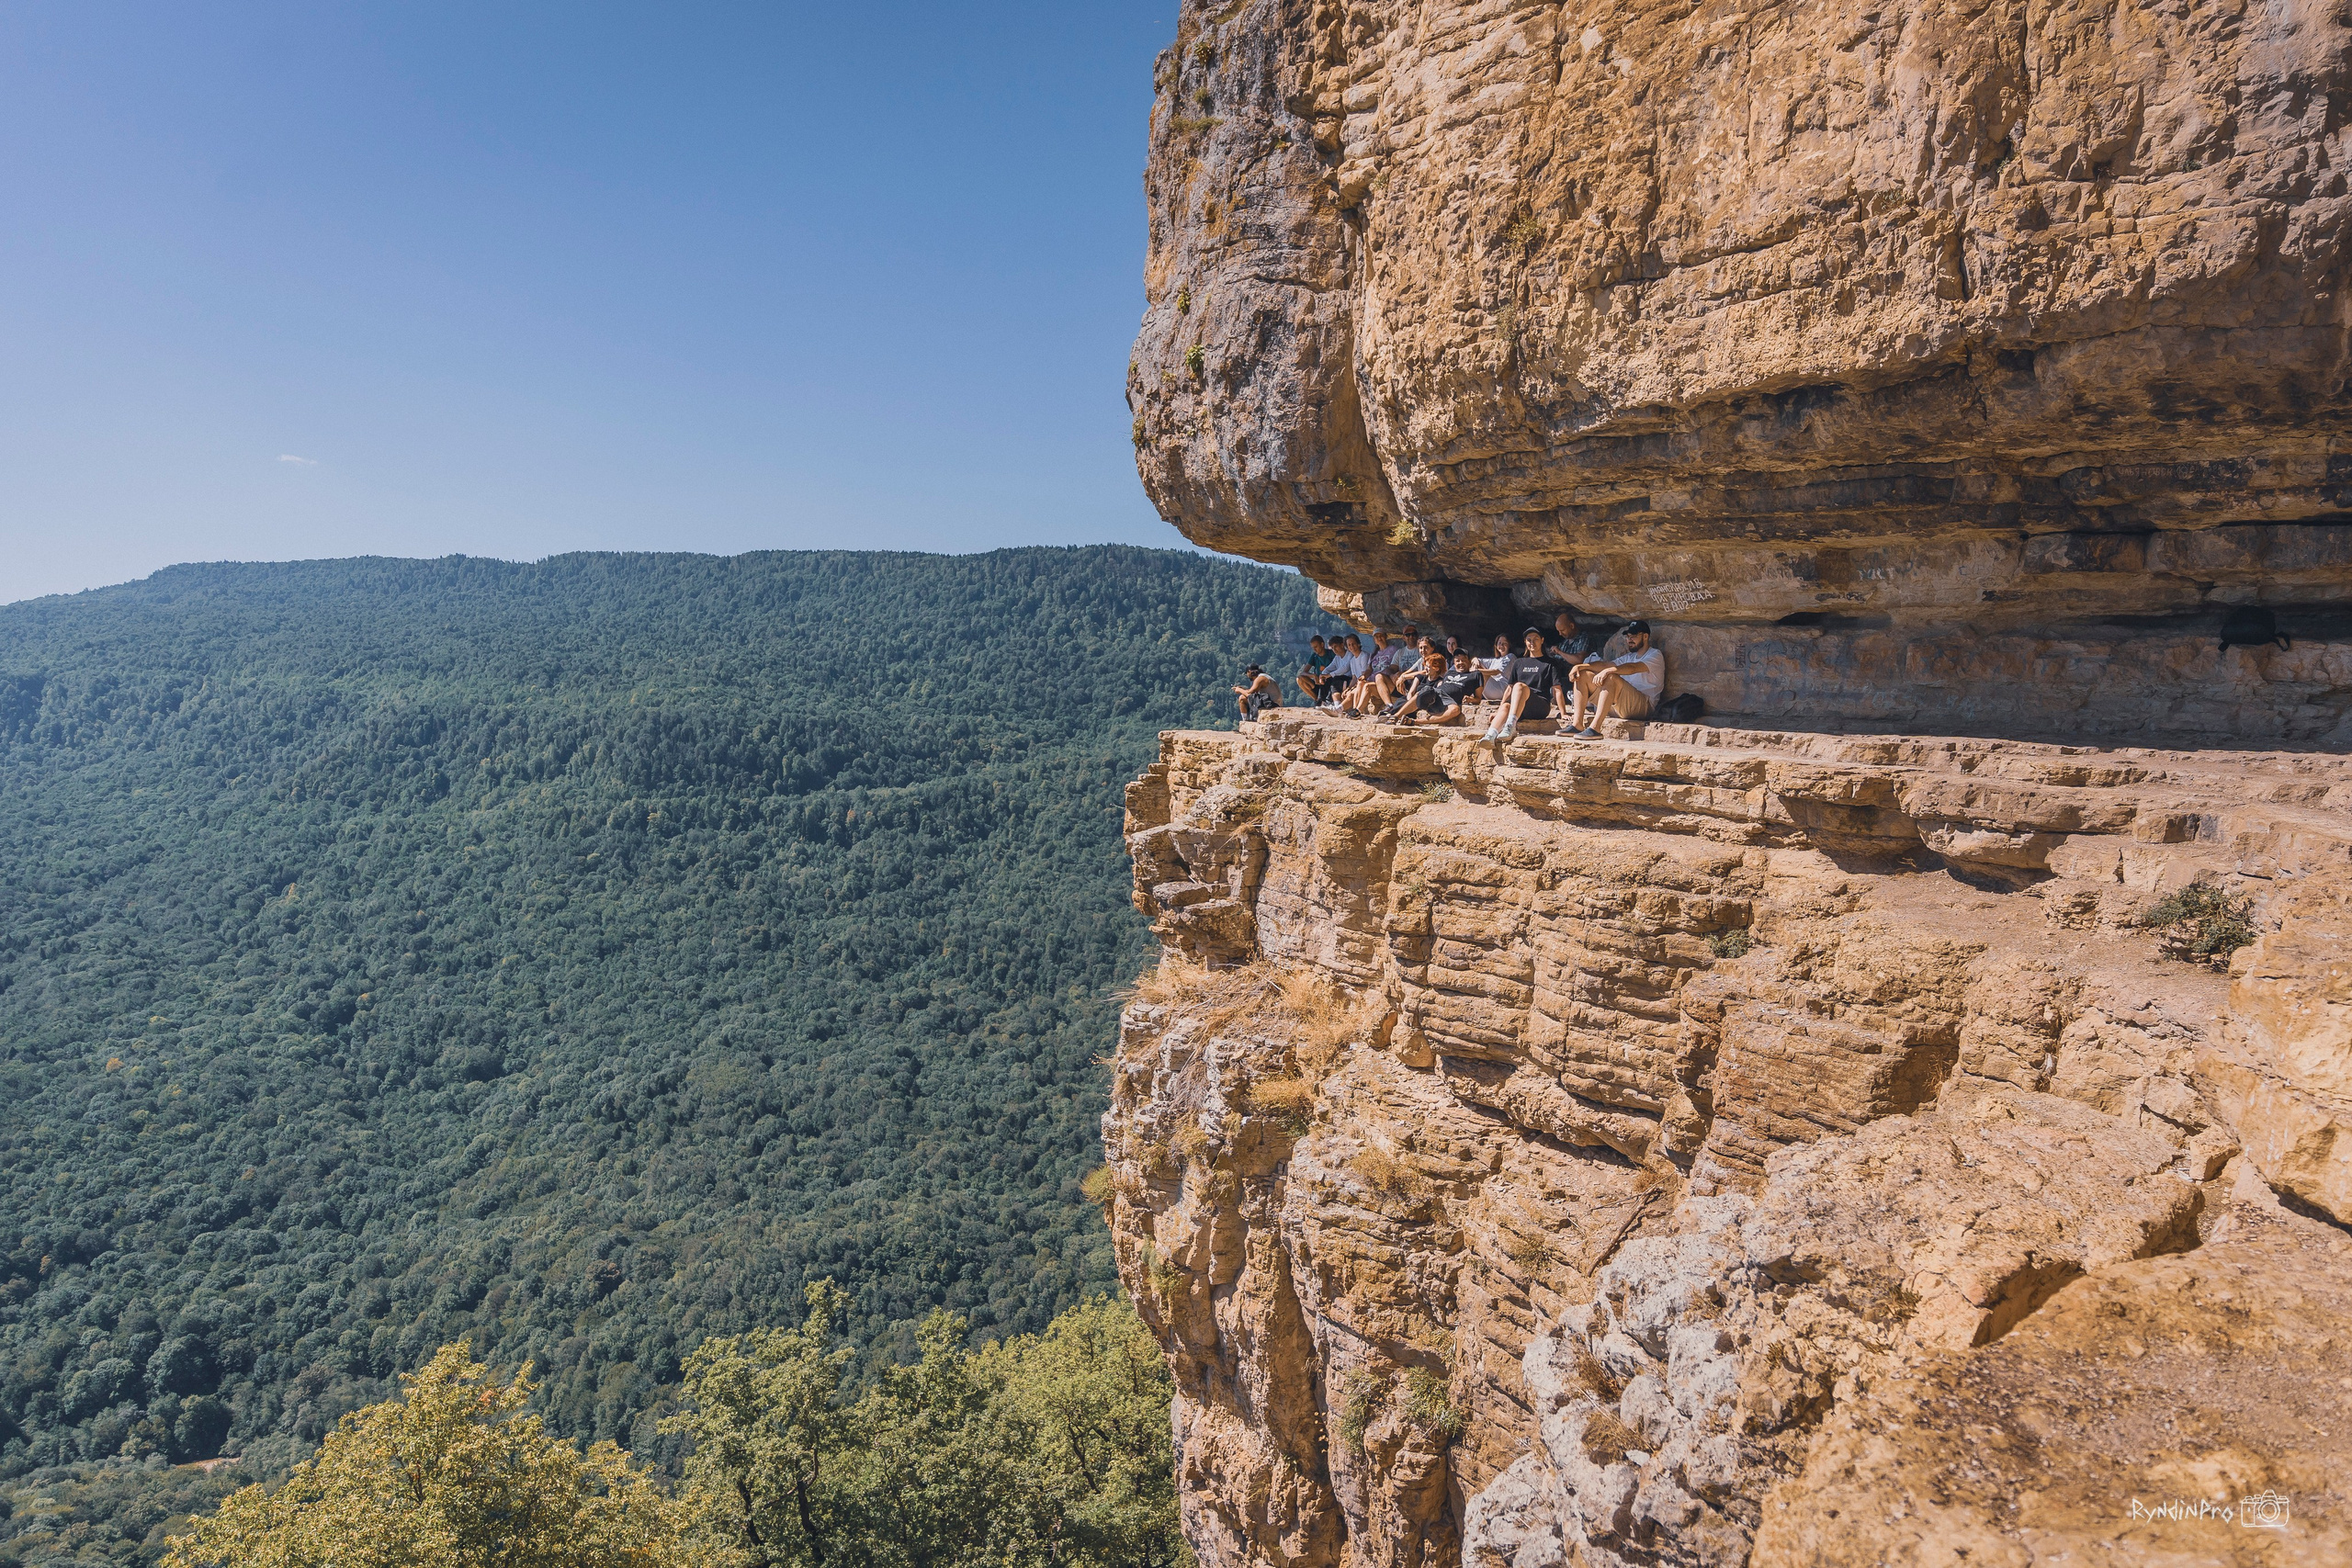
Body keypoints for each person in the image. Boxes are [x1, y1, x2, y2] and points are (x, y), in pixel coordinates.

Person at [1566, 619, 1665, 737]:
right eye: (1627, 637)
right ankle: (1577, 725)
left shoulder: (1655, 655)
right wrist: (1580, 666)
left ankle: (1595, 729)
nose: (1629, 640)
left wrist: (1609, 671)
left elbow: (1634, 668)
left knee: (1611, 677)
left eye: (1633, 636)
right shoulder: (1629, 656)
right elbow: (1605, 665)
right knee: (1582, 675)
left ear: (1645, 636)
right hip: (1621, 706)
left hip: (1643, 706)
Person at [1484, 627, 1559, 741]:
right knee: (1505, 706)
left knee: (1519, 686)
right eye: (1529, 640)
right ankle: (1490, 735)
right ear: (1525, 642)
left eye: (1536, 639)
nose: (1532, 643)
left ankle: (1510, 726)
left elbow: (1557, 689)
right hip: (1520, 707)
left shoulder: (1550, 663)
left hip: (1539, 706)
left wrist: (1563, 713)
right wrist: (1499, 710)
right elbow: (1509, 689)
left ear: (1542, 640)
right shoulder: (1519, 662)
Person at [1396, 650, 1483, 726]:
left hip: (1449, 701)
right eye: (1458, 661)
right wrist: (1404, 677)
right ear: (1454, 663)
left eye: (1463, 660)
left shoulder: (1475, 675)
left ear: (1469, 661)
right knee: (1424, 692)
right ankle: (1395, 716)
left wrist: (1470, 699)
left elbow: (1478, 698)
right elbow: (1429, 670)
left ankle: (1414, 722)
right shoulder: (1450, 672)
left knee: (1455, 710)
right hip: (1437, 693)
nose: (1460, 663)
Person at [1323, 634, 1367, 711]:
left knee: (1350, 692)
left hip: (1362, 682)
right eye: (1349, 645)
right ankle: (1330, 704)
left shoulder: (1364, 656)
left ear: (1358, 644)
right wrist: (1348, 688)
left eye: (1353, 644)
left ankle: (1337, 709)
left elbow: (1363, 675)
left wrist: (1352, 688)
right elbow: (1354, 678)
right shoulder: (1353, 660)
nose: (1352, 647)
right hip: (1356, 682)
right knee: (1346, 691)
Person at [1296, 635, 1337, 704]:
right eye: (1313, 648)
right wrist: (1313, 676)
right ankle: (1317, 700)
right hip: (1318, 683)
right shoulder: (1314, 656)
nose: (1314, 650)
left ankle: (1324, 700)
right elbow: (1303, 673)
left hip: (1329, 683)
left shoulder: (1331, 654)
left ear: (1322, 644)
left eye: (1316, 647)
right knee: (1299, 679)